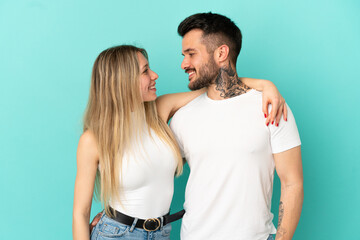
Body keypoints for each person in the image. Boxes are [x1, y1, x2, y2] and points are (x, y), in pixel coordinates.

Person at [73, 45, 287, 240]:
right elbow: (80, 213)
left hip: (162, 233)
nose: (154, 75)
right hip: (117, 234)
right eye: (145, 71)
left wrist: (265, 85)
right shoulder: (93, 140)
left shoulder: (160, 110)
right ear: (122, 81)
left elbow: (216, 88)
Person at [169, 13, 304, 240]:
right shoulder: (183, 116)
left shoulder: (271, 107)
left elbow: (293, 183)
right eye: (184, 55)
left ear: (221, 53)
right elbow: (155, 174)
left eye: (191, 54)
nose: (184, 64)